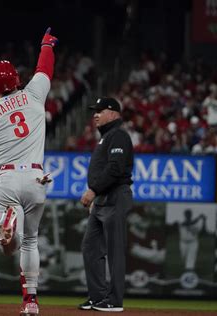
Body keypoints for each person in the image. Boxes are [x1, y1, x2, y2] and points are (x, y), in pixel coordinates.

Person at [0, 27, 58, 316]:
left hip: (6, 177)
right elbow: (44, 68)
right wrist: (46, 45)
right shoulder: (34, 94)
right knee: (30, 241)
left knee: (7, 247)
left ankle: (9, 221)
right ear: (18, 79)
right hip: (36, 177)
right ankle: (30, 301)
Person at [79, 97, 134, 312]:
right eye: (95, 110)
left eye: (100, 110)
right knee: (90, 248)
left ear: (113, 113)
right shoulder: (108, 137)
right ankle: (98, 296)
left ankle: (114, 300)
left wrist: (93, 191)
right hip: (103, 199)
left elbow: (115, 169)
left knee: (114, 250)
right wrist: (97, 196)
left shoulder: (118, 135)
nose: (95, 114)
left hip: (115, 196)